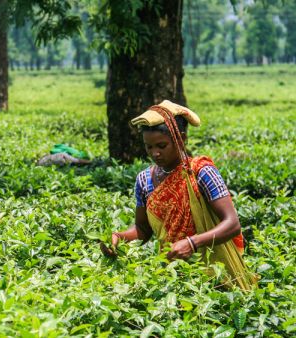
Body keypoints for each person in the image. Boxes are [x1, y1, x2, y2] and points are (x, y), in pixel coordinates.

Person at [101, 100, 257, 290]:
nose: (155, 153)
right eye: (149, 147)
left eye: (161, 145)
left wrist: (192, 243)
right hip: (172, 273)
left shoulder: (201, 172)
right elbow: (143, 228)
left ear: (181, 139)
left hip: (215, 271)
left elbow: (232, 224)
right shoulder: (144, 180)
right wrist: (119, 237)